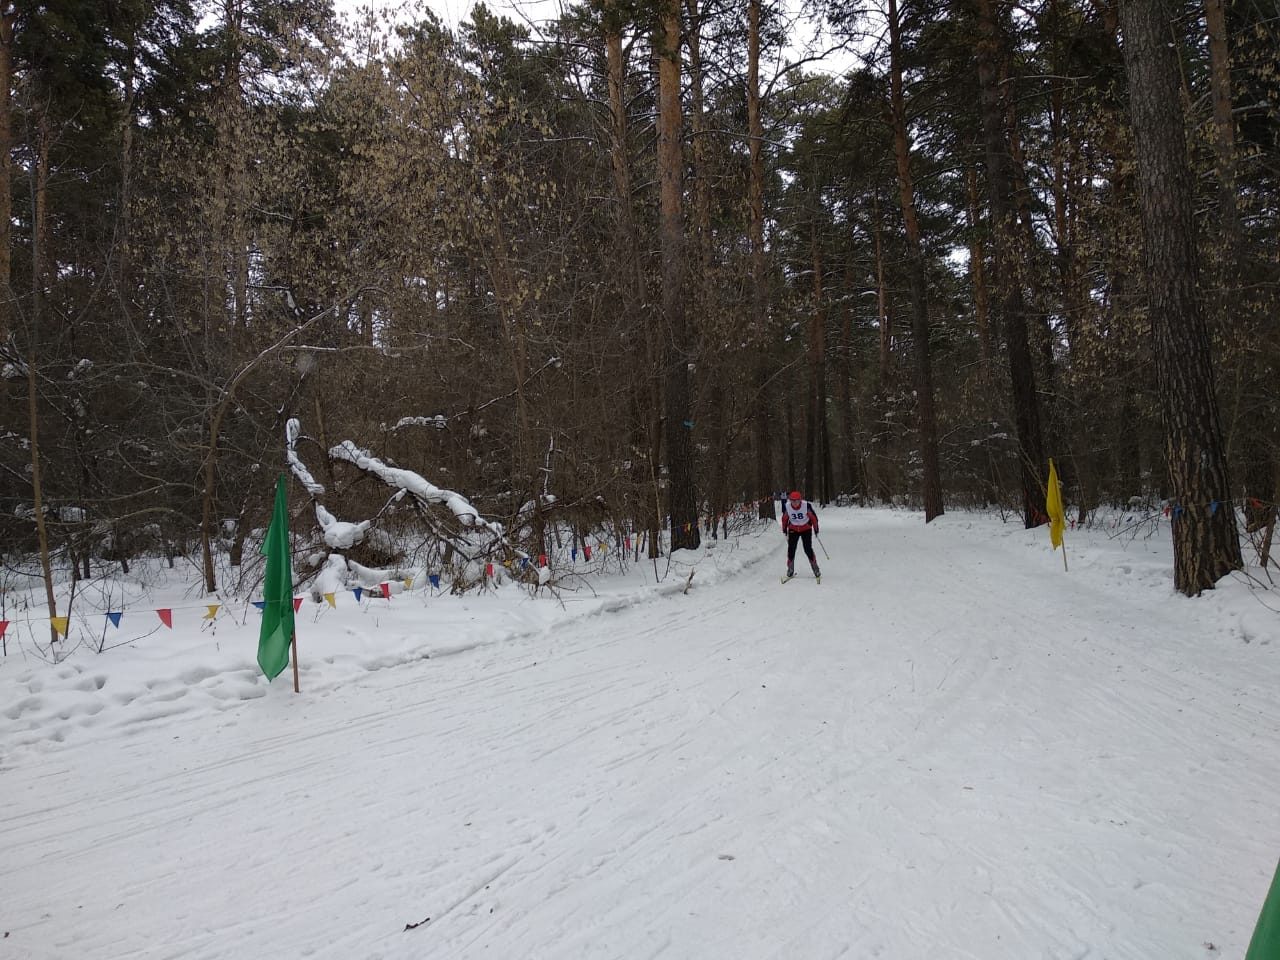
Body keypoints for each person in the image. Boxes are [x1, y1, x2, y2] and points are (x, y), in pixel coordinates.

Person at [781, 490, 820, 580]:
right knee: (791, 549)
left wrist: (816, 529)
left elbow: (813, 518)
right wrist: (784, 530)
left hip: (805, 529)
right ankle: (790, 569)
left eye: (796, 500)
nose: (794, 503)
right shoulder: (787, 506)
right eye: (792, 500)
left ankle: (815, 569)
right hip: (793, 529)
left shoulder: (806, 505)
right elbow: (784, 518)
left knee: (807, 549)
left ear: (800, 500)